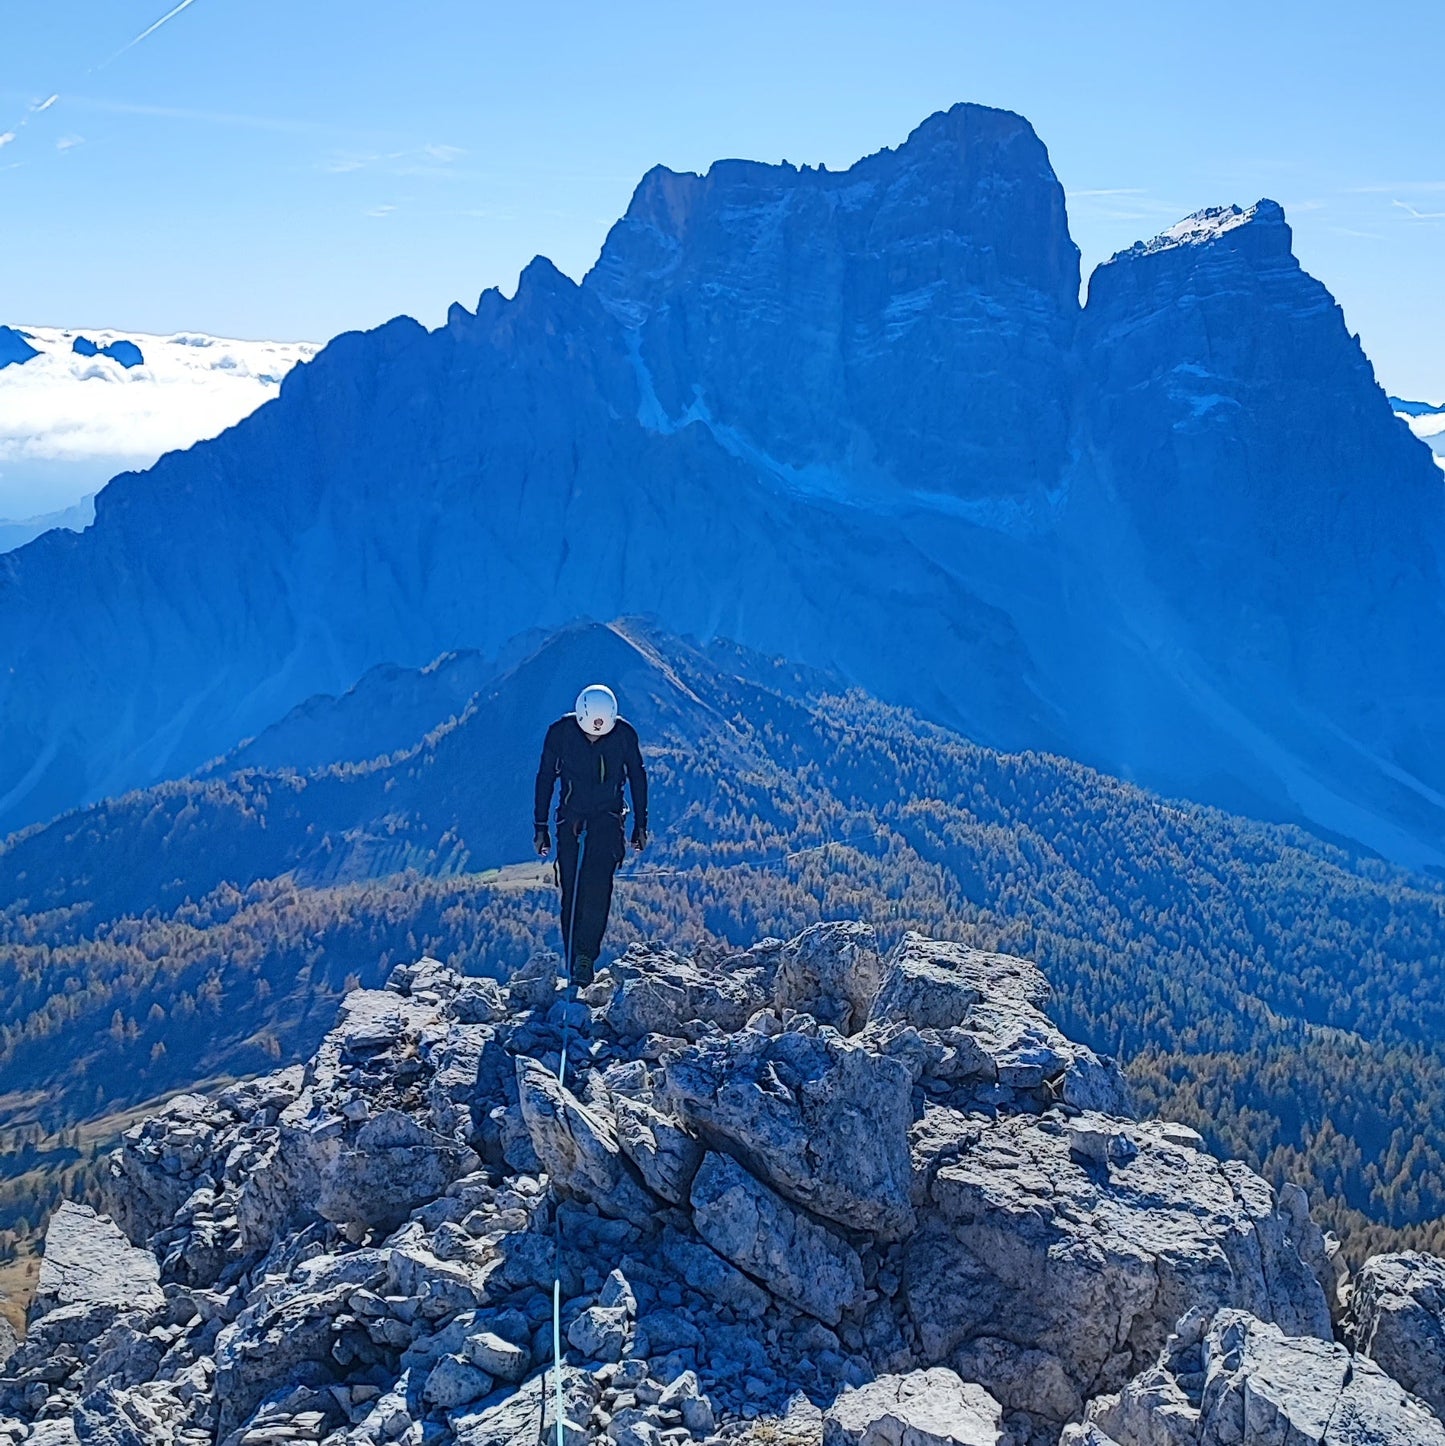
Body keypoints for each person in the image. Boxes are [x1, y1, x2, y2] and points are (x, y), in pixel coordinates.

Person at [533, 683, 648, 985]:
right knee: (572, 892)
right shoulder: (561, 734)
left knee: (598, 890)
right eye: (591, 730)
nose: (595, 735)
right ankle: (575, 962)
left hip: (607, 824)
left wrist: (640, 825)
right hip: (571, 824)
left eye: (601, 731)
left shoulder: (623, 736)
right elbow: (545, 778)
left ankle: (585, 958)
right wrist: (540, 827)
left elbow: (637, 776)